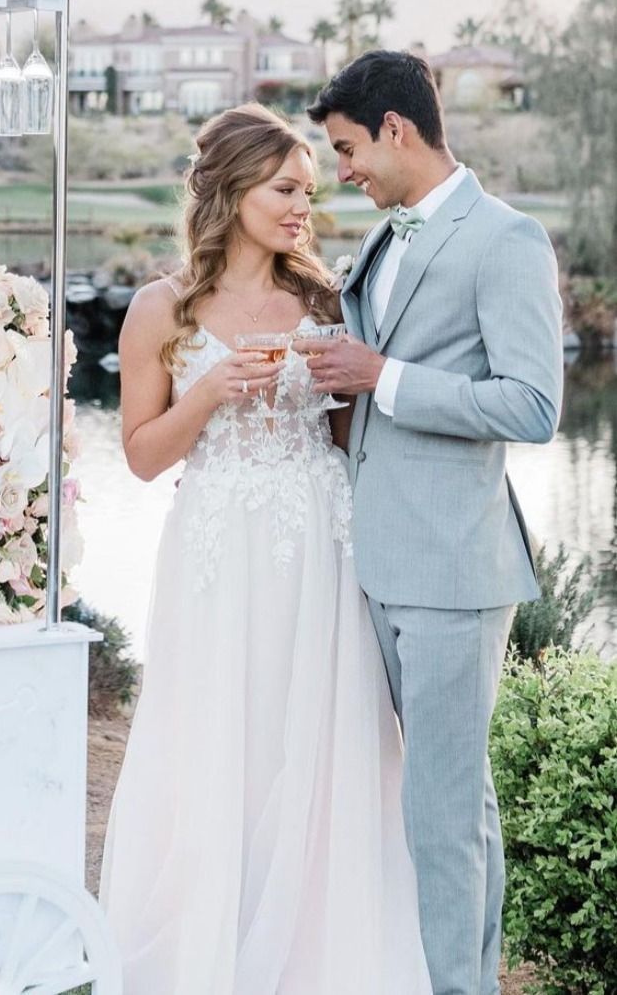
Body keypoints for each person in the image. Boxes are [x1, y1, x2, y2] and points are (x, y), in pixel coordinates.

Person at [99, 103, 432, 994]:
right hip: (217, 549)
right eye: (286, 188)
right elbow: (139, 456)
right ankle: (209, 944)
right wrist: (206, 394)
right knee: (219, 735)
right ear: (233, 187)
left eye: (312, 192)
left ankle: (316, 952)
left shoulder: (326, 299)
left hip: (321, 548)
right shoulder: (161, 308)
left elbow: (349, 438)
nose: (302, 208)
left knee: (315, 738)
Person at [300, 50, 563, 995]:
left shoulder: (507, 239)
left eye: (347, 150)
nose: (345, 172)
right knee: (440, 799)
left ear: (396, 130)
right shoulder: (383, 239)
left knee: (445, 809)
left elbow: (533, 405)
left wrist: (387, 378)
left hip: (455, 569)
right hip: (376, 560)